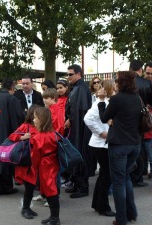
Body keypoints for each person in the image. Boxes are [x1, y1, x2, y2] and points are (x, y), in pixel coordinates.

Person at [98, 71, 141, 225]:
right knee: (126, 177)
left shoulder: (117, 99)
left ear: (120, 83)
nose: (115, 82)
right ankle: (131, 213)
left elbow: (103, 117)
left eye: (116, 80)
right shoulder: (137, 98)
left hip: (119, 146)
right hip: (135, 144)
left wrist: (101, 101)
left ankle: (121, 219)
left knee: (118, 182)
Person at [9, 107, 60, 225]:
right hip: (37, 165)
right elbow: (12, 136)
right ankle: (27, 209)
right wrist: (22, 137)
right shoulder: (50, 132)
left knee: (47, 190)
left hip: (38, 165)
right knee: (31, 188)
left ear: (41, 119)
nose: (33, 119)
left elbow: (36, 155)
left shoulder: (41, 134)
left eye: (35, 117)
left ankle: (54, 218)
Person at [84, 80, 116, 217]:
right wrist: (101, 133)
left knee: (104, 175)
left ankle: (98, 204)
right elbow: (87, 119)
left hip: (101, 144)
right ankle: (103, 207)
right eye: (114, 88)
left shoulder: (105, 102)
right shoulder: (101, 103)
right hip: (101, 144)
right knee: (106, 176)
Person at [129, 60, 152, 187]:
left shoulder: (123, 81)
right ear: (141, 70)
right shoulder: (146, 83)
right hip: (140, 119)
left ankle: (129, 174)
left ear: (130, 69)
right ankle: (137, 177)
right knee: (138, 149)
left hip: (124, 120)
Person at [65, 64, 92, 198]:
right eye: (68, 74)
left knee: (80, 154)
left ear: (78, 74)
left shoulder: (80, 88)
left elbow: (80, 109)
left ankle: (82, 187)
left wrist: (70, 119)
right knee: (77, 154)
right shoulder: (77, 88)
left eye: (70, 74)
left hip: (79, 129)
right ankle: (77, 184)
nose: (68, 77)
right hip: (77, 128)